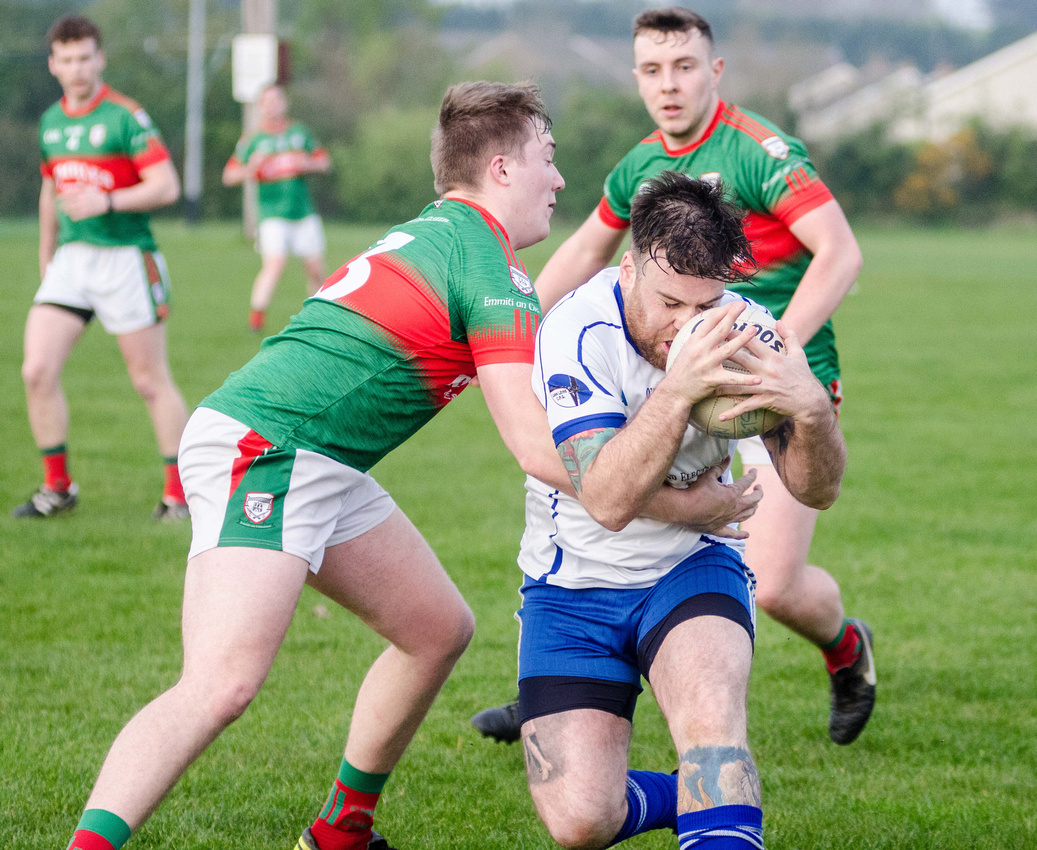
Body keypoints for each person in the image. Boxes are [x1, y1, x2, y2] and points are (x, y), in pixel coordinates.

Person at [59, 79, 578, 850]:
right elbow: (535, 446)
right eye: (548, 156)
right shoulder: (483, 264)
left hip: (315, 458)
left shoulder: (445, 234)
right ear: (501, 169)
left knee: (436, 629)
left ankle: (341, 835)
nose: (559, 179)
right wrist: (666, 485)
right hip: (270, 448)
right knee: (220, 684)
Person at [472, 5, 874, 748]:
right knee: (574, 486)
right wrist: (513, 339)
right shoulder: (638, 165)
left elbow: (839, 254)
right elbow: (581, 255)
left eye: (684, 67)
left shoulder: (757, 150)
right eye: (652, 70)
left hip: (769, 370)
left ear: (712, 71)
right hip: (659, 358)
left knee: (776, 580)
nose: (668, 84)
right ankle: (559, 689)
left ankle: (847, 650)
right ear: (635, 78)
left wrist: (763, 356)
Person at [516, 171, 847, 849]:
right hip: (571, 585)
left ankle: (717, 793)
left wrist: (811, 413)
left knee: (712, 733)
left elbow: (816, 489)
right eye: (668, 303)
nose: (686, 328)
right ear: (629, 266)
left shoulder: (748, 331)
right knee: (581, 821)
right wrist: (680, 390)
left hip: (690, 569)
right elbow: (606, 500)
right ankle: (705, 802)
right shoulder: (577, 330)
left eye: (704, 305)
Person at [14, 15, 190, 522]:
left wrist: (108, 199)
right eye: (66, 60)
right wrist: (46, 254)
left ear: (100, 59)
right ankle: (57, 489)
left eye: (85, 57)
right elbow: (51, 189)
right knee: (36, 370)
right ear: (53, 64)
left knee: (148, 380)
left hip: (128, 260)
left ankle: (176, 497)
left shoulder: (125, 117)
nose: (76, 68)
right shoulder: (51, 122)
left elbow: (166, 186)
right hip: (73, 262)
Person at [223, 84, 332, 332]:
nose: (272, 106)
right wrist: (251, 168)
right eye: (267, 101)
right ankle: (256, 318)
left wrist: (306, 163)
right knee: (275, 263)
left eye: (277, 100)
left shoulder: (299, 132)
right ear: (261, 107)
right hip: (272, 213)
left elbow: (323, 162)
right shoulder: (253, 139)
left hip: (303, 211)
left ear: (285, 103)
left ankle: (318, 317)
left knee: (316, 268)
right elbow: (229, 175)